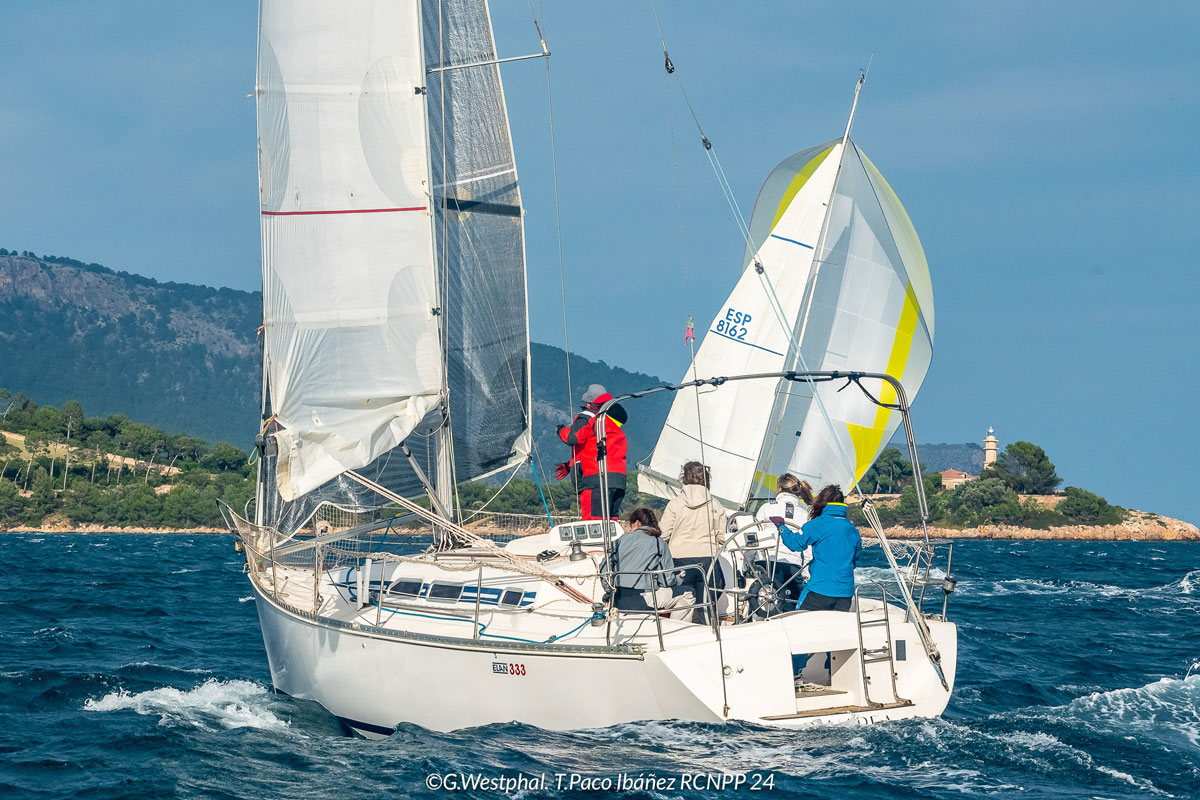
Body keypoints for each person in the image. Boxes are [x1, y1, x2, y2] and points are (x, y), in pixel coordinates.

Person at [660, 460, 727, 623]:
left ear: (684, 478)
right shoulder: (716, 505)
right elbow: (722, 538)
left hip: (680, 561)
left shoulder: (674, 504)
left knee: (681, 609)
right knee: (706, 608)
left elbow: (663, 534)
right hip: (708, 561)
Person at [777, 484, 861, 612]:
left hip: (819, 591)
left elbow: (795, 544)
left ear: (822, 502)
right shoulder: (852, 529)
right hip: (845, 595)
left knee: (799, 619)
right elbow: (855, 561)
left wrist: (782, 528)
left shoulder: (817, 524)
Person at [601, 507, 694, 620]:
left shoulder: (620, 540)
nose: (631, 529)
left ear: (637, 523)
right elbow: (666, 581)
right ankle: (674, 629)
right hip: (641, 600)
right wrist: (679, 578)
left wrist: (609, 591)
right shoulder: (659, 543)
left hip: (617, 600)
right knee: (689, 593)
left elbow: (604, 569)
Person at [555, 383, 627, 520]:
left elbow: (573, 437)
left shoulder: (587, 417)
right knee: (611, 523)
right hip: (617, 481)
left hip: (596, 480)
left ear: (589, 404)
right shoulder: (611, 422)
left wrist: (560, 430)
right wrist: (570, 465)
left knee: (594, 525)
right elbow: (595, 448)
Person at [754, 473, 813, 610]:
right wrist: (805, 573)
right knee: (792, 606)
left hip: (766, 563)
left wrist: (748, 564)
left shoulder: (766, 508)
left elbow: (754, 539)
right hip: (792, 567)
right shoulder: (804, 514)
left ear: (779, 488)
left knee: (758, 602)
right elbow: (808, 549)